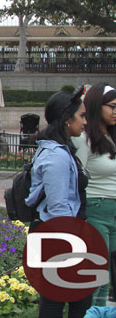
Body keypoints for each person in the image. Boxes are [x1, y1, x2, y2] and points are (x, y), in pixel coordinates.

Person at [25, 86, 91, 317]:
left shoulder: (59, 150)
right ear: (66, 119)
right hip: (59, 240)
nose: (85, 121)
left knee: (76, 300)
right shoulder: (56, 156)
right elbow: (59, 207)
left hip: (60, 237)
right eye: (81, 116)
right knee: (60, 304)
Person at [72, 83, 116, 306]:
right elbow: (77, 176)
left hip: (114, 210)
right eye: (112, 107)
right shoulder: (85, 138)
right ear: (98, 106)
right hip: (96, 208)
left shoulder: (111, 136)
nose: (115, 112)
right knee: (100, 269)